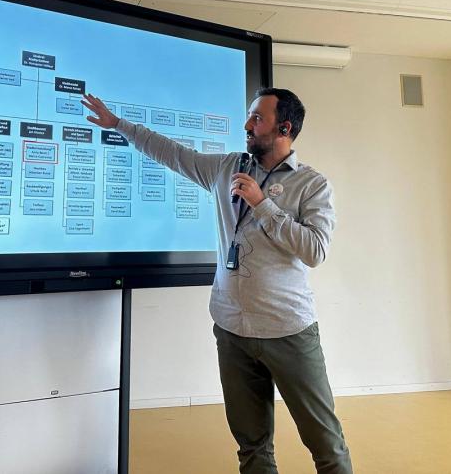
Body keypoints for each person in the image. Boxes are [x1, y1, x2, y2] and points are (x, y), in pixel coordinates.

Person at [81, 88, 352, 474]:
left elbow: (315, 250)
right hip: (231, 329)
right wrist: (119, 125)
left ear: (284, 128)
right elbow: (174, 154)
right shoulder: (227, 167)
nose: (247, 125)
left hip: (288, 330)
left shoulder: (312, 185)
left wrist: (263, 205)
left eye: (257, 118)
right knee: (252, 445)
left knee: (325, 442)